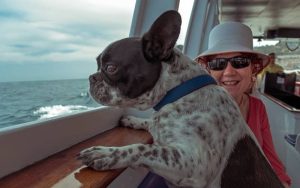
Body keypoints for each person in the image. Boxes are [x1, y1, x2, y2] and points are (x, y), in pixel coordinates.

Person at [195, 22, 291, 187]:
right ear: (209, 70)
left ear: (253, 69)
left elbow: (270, 160)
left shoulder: (257, 107)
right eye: (218, 64)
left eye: (240, 62)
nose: (229, 72)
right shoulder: (196, 110)